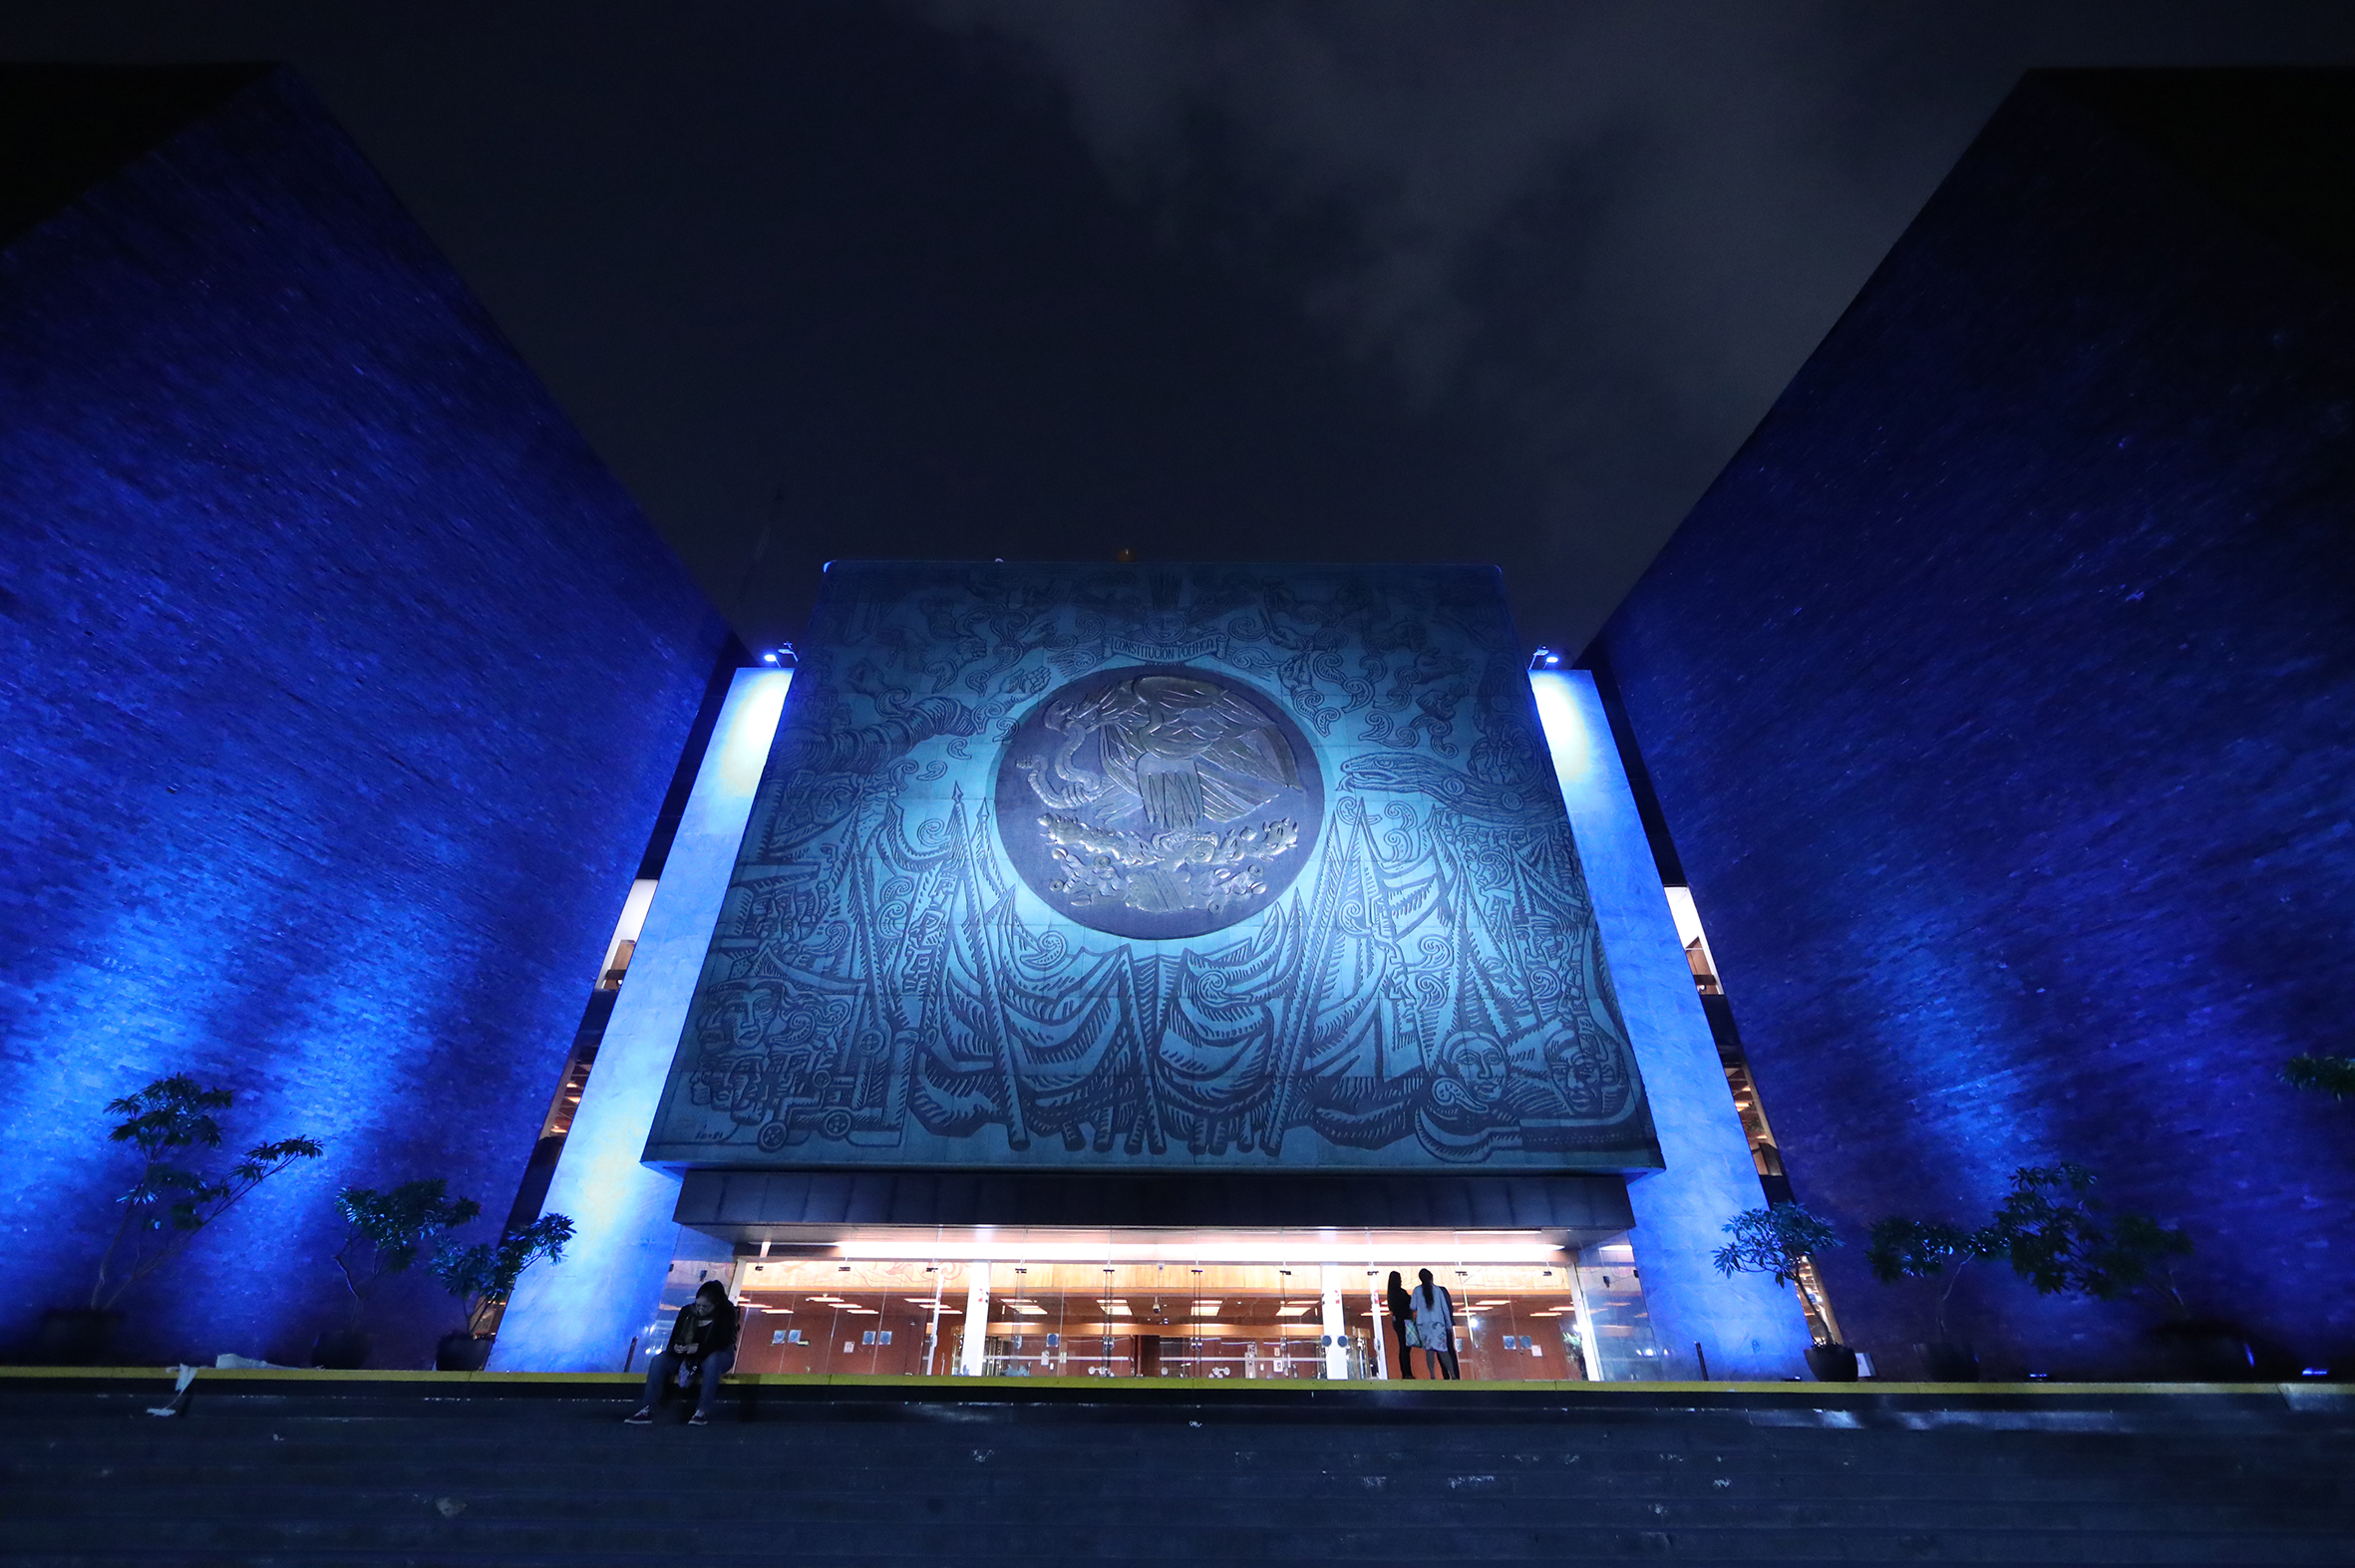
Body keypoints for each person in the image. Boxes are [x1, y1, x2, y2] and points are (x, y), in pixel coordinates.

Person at [625, 1280, 740, 1424]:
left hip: (714, 1354)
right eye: (698, 1305)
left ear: (715, 1304)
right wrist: (677, 1347)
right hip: (686, 1355)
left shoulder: (726, 1313)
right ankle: (647, 1408)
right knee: (659, 1360)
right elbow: (675, 1338)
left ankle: (702, 1411)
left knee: (713, 1361)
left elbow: (723, 1342)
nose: (700, 1309)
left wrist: (698, 1348)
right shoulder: (687, 1312)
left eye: (705, 1307)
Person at [1411, 1267, 1460, 1381]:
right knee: (1443, 1350)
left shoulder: (1417, 1290)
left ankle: (1432, 1375)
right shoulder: (1437, 1290)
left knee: (1429, 1350)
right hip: (1438, 1324)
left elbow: (1412, 1306)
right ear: (1431, 1278)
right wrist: (1448, 1324)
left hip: (1423, 1325)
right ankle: (1453, 1374)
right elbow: (1445, 1308)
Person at [1385, 1270, 1418, 1380]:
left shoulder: (1391, 1294)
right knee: (1405, 1347)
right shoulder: (1401, 1293)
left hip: (1397, 1322)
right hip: (1404, 1321)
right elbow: (1410, 1304)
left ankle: (1406, 1372)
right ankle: (1407, 1372)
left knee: (1403, 1346)